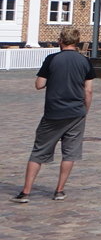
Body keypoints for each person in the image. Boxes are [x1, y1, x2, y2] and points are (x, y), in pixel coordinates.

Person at [14, 27, 94, 203]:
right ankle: (59, 190)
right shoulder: (85, 61)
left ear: (61, 41)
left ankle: (26, 192)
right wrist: (85, 110)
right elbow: (88, 91)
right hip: (76, 113)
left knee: (39, 151)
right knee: (70, 153)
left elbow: (39, 84)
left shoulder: (52, 59)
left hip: (54, 112)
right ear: (77, 41)